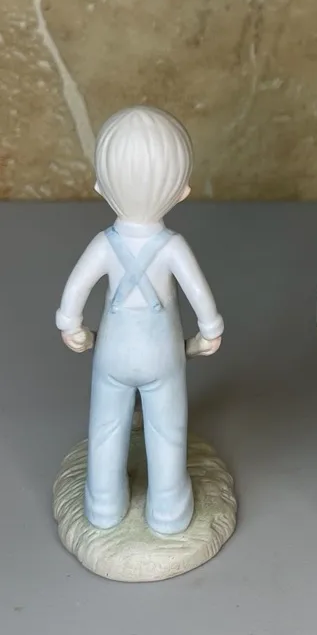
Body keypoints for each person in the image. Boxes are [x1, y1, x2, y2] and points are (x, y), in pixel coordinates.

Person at [55, 106, 223, 535]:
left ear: (99, 187)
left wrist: (72, 328)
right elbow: (201, 299)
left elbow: (74, 294)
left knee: (106, 426)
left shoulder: (103, 243)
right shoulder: (173, 246)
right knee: (166, 431)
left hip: (112, 353)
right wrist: (208, 334)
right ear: (182, 192)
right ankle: (169, 510)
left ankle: (103, 504)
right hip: (162, 356)